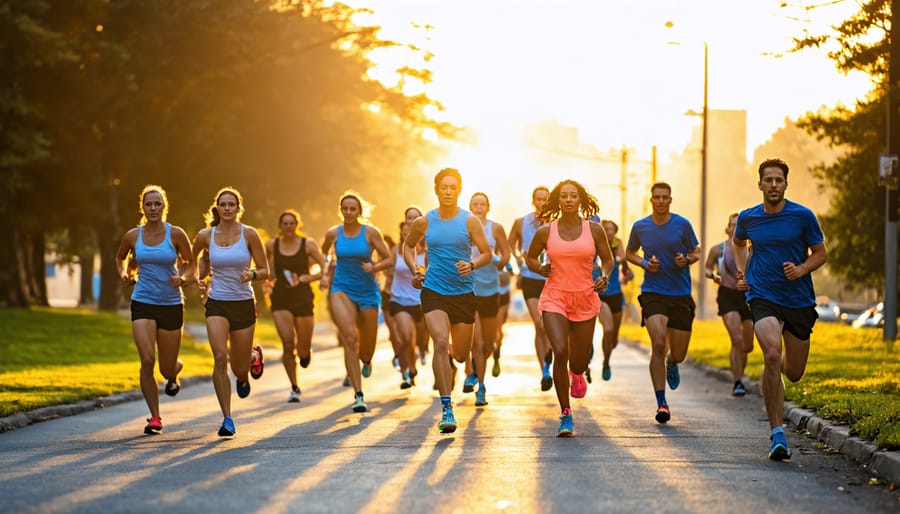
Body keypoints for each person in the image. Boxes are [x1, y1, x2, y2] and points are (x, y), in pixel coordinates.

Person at [733, 158, 828, 461]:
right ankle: (777, 433)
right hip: (763, 294)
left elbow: (821, 253)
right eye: (768, 180)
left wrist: (801, 270)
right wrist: (741, 272)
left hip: (798, 299)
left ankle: (777, 376)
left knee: (794, 372)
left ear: (786, 184)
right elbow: (737, 243)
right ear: (759, 184)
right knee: (772, 354)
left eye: (779, 180)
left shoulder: (803, 216)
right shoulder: (748, 218)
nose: (773, 185)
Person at [403, 168, 493, 433]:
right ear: (436, 189)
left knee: (461, 354)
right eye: (444, 187)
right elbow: (408, 247)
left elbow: (487, 253)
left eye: (453, 187)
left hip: (463, 294)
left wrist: (472, 264)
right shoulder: (424, 221)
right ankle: (447, 409)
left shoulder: (470, 221)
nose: (448, 191)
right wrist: (415, 269)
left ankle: (452, 367)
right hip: (433, 291)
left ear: (459, 190)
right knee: (440, 342)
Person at [526, 179, 613, 437]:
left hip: (585, 297)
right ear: (558, 200)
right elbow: (530, 257)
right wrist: (538, 267)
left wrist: (604, 277)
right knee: (560, 350)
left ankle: (577, 373)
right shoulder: (546, 231)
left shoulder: (594, 230)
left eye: (573, 196)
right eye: (563, 196)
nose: (568, 200)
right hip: (555, 297)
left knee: (578, 359)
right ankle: (565, 413)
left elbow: (607, 260)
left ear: (580, 199)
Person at [114, 185, 194, 435]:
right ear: (142, 207)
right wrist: (124, 273)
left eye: (157, 204)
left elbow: (191, 264)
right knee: (147, 360)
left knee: (165, 368)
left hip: (171, 303)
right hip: (143, 301)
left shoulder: (176, 234)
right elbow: (120, 258)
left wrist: (182, 278)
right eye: (148, 204)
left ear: (164, 206)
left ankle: (174, 372)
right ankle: (155, 417)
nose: (153, 208)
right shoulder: (132, 236)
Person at [192, 187, 269, 437]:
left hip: (243, 302)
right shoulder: (205, 235)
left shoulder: (250, 234)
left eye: (231, 204)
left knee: (239, 368)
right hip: (217, 302)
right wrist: (197, 278)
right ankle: (227, 418)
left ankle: (252, 358)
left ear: (238, 208)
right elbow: (193, 263)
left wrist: (252, 274)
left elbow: (265, 269)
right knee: (219, 357)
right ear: (217, 208)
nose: (227, 208)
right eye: (223, 204)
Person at [625, 182, 701, 425]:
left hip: (680, 294)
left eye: (664, 197)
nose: (660, 201)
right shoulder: (641, 227)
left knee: (677, 353)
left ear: (670, 199)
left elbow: (697, 251)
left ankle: (672, 363)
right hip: (653, 292)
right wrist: (645, 264)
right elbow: (629, 253)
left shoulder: (682, 224)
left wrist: (686, 260)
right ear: (651, 200)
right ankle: (661, 402)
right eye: (656, 197)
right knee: (658, 343)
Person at [320, 192, 393, 413]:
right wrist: (325, 272)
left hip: (368, 290)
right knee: (350, 338)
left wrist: (375, 267)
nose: (349, 212)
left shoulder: (371, 233)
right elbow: (324, 255)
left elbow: (389, 258)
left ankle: (367, 360)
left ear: (359, 211)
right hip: (341, 288)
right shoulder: (333, 233)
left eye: (353, 209)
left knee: (366, 349)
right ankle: (358, 395)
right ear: (340, 210)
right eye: (345, 209)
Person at [265, 209, 327, 403]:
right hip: (281, 297)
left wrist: (312, 277)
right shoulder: (272, 245)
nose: (289, 227)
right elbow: (265, 269)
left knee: (302, 347)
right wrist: (266, 282)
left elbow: (325, 266)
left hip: (303, 297)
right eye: (285, 223)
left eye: (292, 223)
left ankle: (305, 353)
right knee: (288, 343)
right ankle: (294, 386)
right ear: (280, 226)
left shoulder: (307, 244)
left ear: (297, 225)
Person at [461, 192, 510, 407]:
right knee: (477, 341)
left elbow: (506, 254)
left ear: (488, 207)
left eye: (482, 204)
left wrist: (499, 261)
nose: (479, 207)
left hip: (491, 291)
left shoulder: (496, 228)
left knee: (488, 345)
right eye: (475, 204)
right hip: (468, 290)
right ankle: (480, 385)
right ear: (470, 206)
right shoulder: (463, 226)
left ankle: (478, 367)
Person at [508, 186, 554, 391]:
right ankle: (545, 369)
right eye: (538, 199)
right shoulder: (521, 222)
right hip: (529, 277)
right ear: (533, 200)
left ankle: (551, 360)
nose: (542, 202)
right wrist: (518, 257)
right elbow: (510, 244)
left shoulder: (556, 223)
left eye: (545, 199)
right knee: (540, 324)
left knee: (551, 326)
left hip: (552, 279)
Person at [704, 213, 754, 397]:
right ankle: (738, 381)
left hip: (748, 295)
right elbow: (707, 268)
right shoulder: (718, 249)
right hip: (727, 294)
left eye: (739, 225)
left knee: (747, 345)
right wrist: (713, 275)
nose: (735, 228)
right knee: (737, 339)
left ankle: (739, 373)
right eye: (733, 225)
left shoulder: (751, 248)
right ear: (727, 229)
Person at [591, 219, 633, 383]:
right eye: (605, 229)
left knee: (614, 340)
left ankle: (606, 360)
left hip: (616, 294)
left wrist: (623, 266)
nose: (608, 232)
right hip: (600, 294)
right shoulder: (594, 244)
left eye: (611, 230)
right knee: (607, 329)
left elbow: (622, 258)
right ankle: (593, 350)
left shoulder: (617, 244)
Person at [388, 220, 426, 389]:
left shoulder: (426, 253)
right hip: (399, 300)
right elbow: (387, 264)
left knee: (419, 340)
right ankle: (406, 371)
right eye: (404, 232)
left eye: (410, 231)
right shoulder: (396, 250)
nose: (407, 234)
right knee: (405, 338)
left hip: (421, 302)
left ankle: (414, 360)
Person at [492, 261, 514, 377]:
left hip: (502, 292)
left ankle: (496, 354)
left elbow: (511, 271)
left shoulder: (503, 251)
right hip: (484, 291)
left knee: (498, 325)